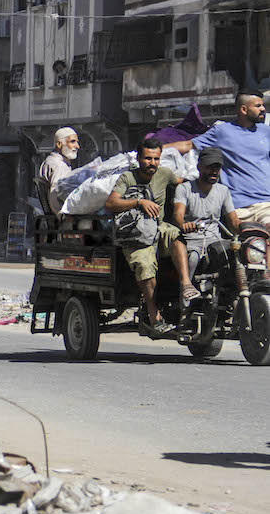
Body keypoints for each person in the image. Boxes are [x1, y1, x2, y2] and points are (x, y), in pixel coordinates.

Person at [105, 138, 193, 337]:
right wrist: (138, 202)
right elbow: (110, 204)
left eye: (155, 159)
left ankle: (186, 284)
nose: (152, 163)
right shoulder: (127, 178)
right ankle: (154, 317)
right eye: (147, 159)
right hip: (136, 233)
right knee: (145, 267)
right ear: (138, 158)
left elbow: (183, 184)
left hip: (159, 228)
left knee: (177, 236)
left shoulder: (165, 174)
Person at [167, 88, 270, 258]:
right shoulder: (223, 132)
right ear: (244, 109)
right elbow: (188, 145)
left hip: (266, 203)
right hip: (238, 206)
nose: (263, 109)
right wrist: (154, 151)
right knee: (244, 250)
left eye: (262, 105)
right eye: (258, 105)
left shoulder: (266, 132)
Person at [172, 147, 240, 278]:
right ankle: (186, 293)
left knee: (236, 257)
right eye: (209, 167)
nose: (214, 171)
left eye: (217, 167)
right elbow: (178, 215)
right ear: (199, 167)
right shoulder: (185, 188)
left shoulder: (223, 190)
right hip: (192, 240)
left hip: (215, 240)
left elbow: (233, 220)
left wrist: (244, 227)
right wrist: (184, 225)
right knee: (192, 259)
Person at [37, 127, 80, 214]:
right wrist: (63, 215)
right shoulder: (59, 165)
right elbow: (54, 194)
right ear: (59, 144)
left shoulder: (51, 161)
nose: (77, 146)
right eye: (72, 142)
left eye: (77, 142)